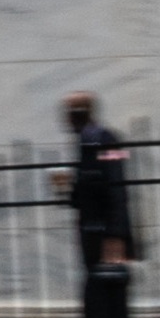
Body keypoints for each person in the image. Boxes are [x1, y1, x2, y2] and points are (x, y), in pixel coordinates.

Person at [53, 93, 135, 268]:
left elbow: (117, 187)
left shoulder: (107, 139)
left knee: (106, 287)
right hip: (92, 231)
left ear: (76, 114)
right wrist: (67, 190)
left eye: (68, 112)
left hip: (105, 234)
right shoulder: (85, 142)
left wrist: (116, 235)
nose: (65, 118)